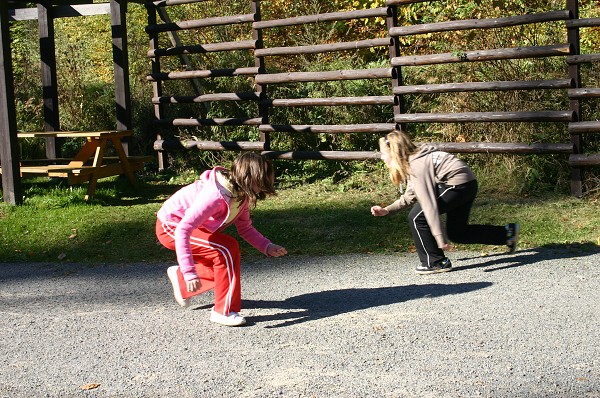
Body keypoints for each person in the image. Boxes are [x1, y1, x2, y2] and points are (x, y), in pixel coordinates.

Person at [156, 152, 287, 326]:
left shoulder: (240, 196)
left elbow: (245, 229)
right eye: (261, 181)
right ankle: (222, 311)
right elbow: (183, 230)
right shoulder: (215, 196)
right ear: (249, 177)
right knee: (226, 248)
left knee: (226, 255)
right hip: (171, 227)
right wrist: (189, 272)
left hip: (192, 228)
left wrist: (267, 246)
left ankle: (179, 279)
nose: (263, 187)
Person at [370, 130, 519, 275]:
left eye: (383, 153)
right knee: (458, 233)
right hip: (467, 184)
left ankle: (435, 262)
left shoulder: (417, 164)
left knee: (416, 216)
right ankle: (507, 234)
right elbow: (410, 195)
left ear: (393, 151)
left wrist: (439, 238)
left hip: (457, 185)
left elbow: (428, 205)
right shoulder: (414, 160)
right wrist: (387, 210)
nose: (381, 157)